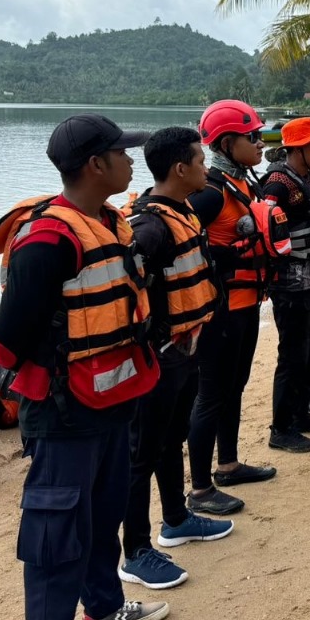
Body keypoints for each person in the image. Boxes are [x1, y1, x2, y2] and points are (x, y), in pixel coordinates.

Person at [0, 113, 168, 620]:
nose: (131, 161)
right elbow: (6, 341)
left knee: (101, 516)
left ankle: (104, 609)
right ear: (95, 164)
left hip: (111, 398)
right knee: (55, 535)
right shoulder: (47, 239)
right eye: (122, 153)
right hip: (62, 411)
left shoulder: (109, 222)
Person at [120, 127, 234, 590]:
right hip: (159, 357)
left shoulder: (182, 209)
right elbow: (126, 296)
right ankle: (135, 552)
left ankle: (176, 520)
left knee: (171, 441)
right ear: (179, 169)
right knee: (140, 455)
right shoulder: (149, 227)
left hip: (185, 352)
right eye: (201, 161)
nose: (207, 169)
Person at [184, 100, 283, 515]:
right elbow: (181, 241)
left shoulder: (245, 182)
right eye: (253, 137)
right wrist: (220, 258)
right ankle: (201, 490)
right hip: (220, 310)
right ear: (227, 142)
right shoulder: (208, 193)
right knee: (210, 395)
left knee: (235, 386)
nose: (261, 143)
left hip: (246, 304)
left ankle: (229, 464)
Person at [262, 117, 310, 453]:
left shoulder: (308, 178)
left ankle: (301, 411)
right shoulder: (277, 184)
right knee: (292, 355)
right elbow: (267, 232)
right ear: (296, 149)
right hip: (291, 283)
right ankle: (281, 428)